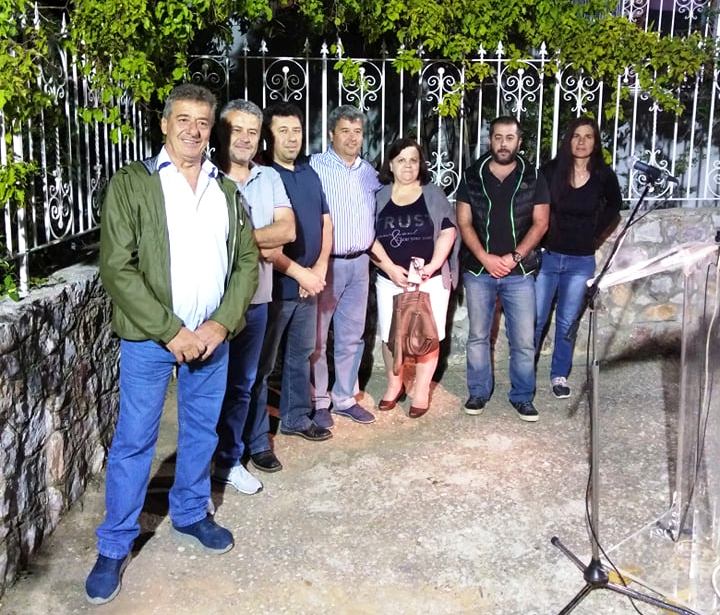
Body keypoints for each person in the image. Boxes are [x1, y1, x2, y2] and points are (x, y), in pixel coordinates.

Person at [86, 84, 258, 604]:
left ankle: (188, 511)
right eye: (183, 119)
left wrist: (220, 325)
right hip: (150, 338)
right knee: (135, 439)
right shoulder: (133, 183)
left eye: (203, 122)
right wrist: (171, 331)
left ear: (212, 130)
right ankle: (115, 544)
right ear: (164, 125)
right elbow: (117, 267)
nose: (193, 130)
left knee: (201, 430)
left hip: (210, 337)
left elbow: (246, 262)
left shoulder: (225, 190)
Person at [212, 99, 295, 492]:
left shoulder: (269, 178)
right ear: (222, 132)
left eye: (252, 131)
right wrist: (259, 242)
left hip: (258, 299)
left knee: (243, 385)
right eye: (236, 130)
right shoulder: (206, 177)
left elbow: (287, 231)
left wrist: (237, 241)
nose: (245, 138)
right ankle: (202, 465)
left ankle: (229, 461)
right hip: (212, 304)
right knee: (208, 387)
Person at [248, 102, 334, 463]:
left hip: (310, 283)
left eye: (296, 130)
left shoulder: (309, 172)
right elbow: (263, 242)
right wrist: (300, 273)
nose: (291, 138)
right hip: (276, 288)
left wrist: (320, 268)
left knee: (301, 355)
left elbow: (326, 221)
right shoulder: (263, 177)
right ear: (269, 136)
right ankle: (256, 439)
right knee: (262, 366)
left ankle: (296, 417)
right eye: (282, 131)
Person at [456, 116, 550, 422]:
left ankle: (522, 397)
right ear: (490, 140)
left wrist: (515, 256)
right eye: (498, 137)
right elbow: (464, 222)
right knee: (478, 336)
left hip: (519, 272)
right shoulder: (472, 175)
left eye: (509, 138)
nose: (503, 144)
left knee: (523, 339)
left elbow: (540, 223)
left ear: (519, 142)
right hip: (479, 271)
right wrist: (484, 257)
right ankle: (478, 392)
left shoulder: (533, 177)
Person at [370, 138, 458, 418]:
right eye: (401, 160)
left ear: (420, 165)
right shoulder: (379, 196)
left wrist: (432, 266)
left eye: (413, 160)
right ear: (391, 164)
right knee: (389, 336)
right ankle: (394, 385)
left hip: (430, 279)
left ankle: (421, 390)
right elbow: (368, 236)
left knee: (428, 336)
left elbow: (448, 231)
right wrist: (390, 268)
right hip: (390, 279)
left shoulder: (433, 194)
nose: (407, 166)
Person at [535, 117, 621, 398]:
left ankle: (559, 375)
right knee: (536, 318)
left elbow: (615, 206)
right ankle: (524, 374)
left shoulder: (603, 175)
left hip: (580, 261)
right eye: (576, 136)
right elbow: (534, 205)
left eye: (588, 136)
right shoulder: (550, 171)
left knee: (567, 322)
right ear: (568, 140)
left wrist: (593, 236)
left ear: (595, 142)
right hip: (548, 257)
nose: (582, 142)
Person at [309, 105, 381, 426]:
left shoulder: (369, 172)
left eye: (357, 132)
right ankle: (319, 400)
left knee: (352, 335)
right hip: (327, 264)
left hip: (360, 264)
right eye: (345, 131)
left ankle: (344, 398)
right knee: (318, 338)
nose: (352, 138)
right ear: (331, 134)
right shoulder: (315, 168)